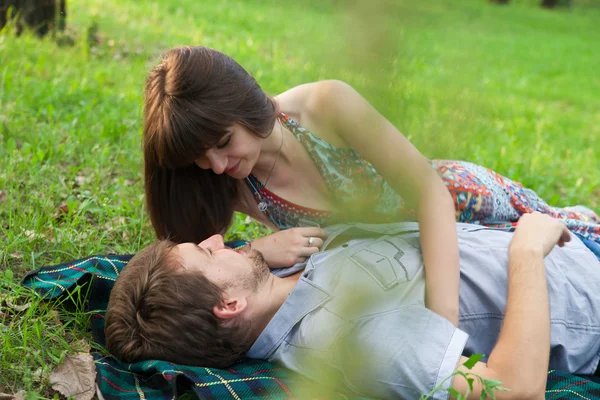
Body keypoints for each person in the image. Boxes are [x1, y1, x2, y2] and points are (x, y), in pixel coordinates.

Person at [142, 46, 600, 328]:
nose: (218, 165)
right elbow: (200, 270)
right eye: (201, 157)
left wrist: (441, 326)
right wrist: (258, 251)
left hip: (463, 207)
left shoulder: (324, 106)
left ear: (246, 106)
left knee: (575, 251)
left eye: (223, 143)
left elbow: (429, 194)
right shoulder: (227, 185)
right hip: (408, 256)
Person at [105, 213, 600, 400]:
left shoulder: (273, 283)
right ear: (230, 305)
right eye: (207, 252)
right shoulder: (350, 336)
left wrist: (257, 251)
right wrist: (526, 251)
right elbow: (512, 391)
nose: (218, 238)